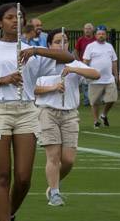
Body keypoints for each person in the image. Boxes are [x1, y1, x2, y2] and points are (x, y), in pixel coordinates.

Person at [0, 4, 74, 221]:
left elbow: (69, 59)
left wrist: (37, 49)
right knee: (3, 175)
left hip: (26, 110)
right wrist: (2, 80)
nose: (15, 21)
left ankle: (10, 213)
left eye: (19, 17)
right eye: (9, 17)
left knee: (24, 177)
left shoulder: (31, 51)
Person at [34, 32, 99, 206]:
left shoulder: (74, 62)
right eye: (57, 42)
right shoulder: (41, 65)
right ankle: (54, 192)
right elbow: (31, 89)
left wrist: (73, 69)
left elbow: (96, 74)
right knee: (53, 156)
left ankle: (53, 183)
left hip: (70, 114)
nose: (61, 44)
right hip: (48, 112)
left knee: (68, 160)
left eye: (64, 41)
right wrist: (52, 88)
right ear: (49, 45)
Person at [82, 24, 118, 127]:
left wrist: (116, 75)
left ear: (106, 35)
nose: (101, 35)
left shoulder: (109, 46)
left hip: (109, 79)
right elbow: (86, 62)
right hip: (95, 79)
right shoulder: (90, 46)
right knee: (95, 102)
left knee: (112, 99)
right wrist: (85, 74)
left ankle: (104, 114)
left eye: (103, 34)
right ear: (95, 35)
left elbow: (114, 61)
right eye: (99, 34)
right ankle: (96, 121)